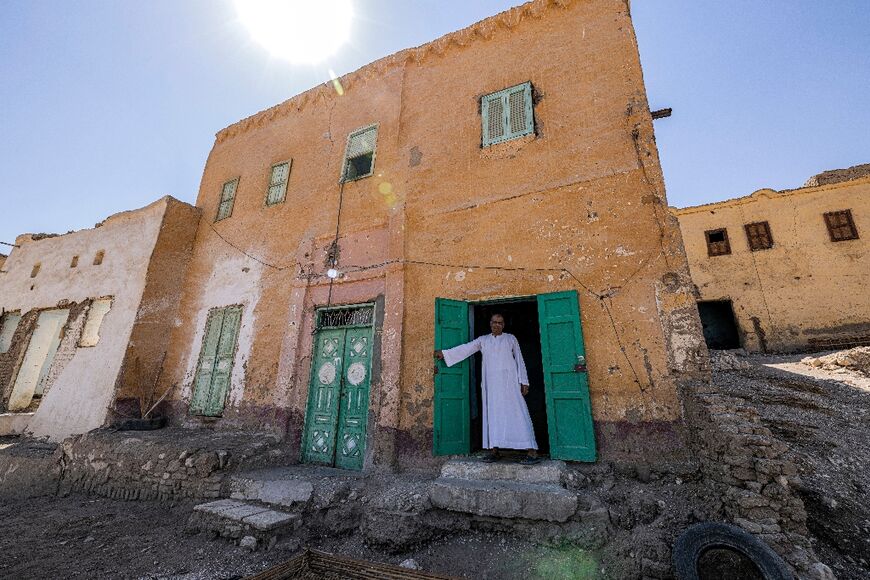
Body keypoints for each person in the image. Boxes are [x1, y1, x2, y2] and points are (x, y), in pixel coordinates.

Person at [435, 313, 540, 465]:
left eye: (500, 322)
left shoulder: (511, 339)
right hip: (491, 386)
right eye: (494, 322)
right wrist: (445, 354)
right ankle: (494, 450)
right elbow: (467, 348)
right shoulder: (483, 340)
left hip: (510, 384)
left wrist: (524, 381)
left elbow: (519, 359)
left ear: (503, 325)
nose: (497, 325)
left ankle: (531, 451)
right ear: (490, 324)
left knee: (517, 413)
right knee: (493, 415)